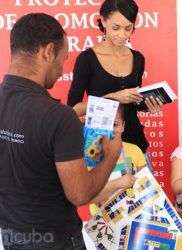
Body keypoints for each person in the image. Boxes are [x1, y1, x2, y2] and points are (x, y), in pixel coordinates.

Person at [0, 13, 124, 249]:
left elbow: (28, 140)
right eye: (63, 59)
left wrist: (64, 128)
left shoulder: (59, 118)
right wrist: (111, 154)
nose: (60, 71)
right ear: (47, 52)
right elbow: (80, 194)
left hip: (12, 235)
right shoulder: (58, 117)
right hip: (56, 239)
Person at [67, 0, 162, 158]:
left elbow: (133, 103)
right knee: (103, 184)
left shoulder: (138, 58)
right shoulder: (87, 59)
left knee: (141, 183)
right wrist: (112, 98)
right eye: (116, 28)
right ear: (103, 21)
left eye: (128, 28)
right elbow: (73, 109)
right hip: (98, 143)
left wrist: (147, 105)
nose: (122, 35)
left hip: (134, 140)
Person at [74, 103, 145, 215]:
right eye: (105, 124)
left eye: (115, 124)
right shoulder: (90, 155)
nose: (109, 130)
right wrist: (117, 183)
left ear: (123, 126)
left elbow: (145, 185)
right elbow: (86, 197)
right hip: (102, 221)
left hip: (132, 216)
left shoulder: (134, 150)